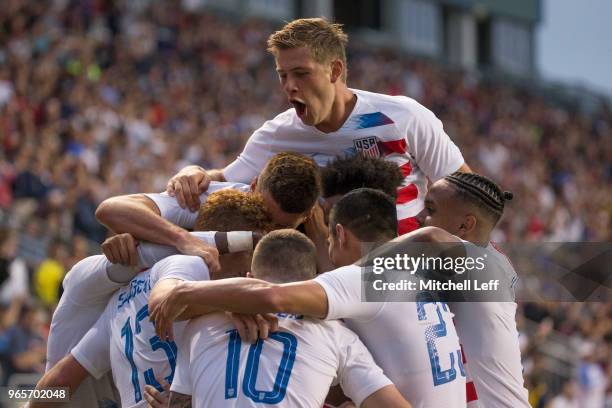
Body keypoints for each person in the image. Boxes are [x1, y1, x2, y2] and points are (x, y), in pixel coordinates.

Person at [150, 188, 467, 407]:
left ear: (340, 235)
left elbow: (272, 297)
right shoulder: (413, 284)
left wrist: (190, 293)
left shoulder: (199, 329)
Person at [166, 17, 470, 235]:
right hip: (328, 270)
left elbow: (466, 191)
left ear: (334, 70)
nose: (290, 86)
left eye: (301, 73)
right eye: (283, 75)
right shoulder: (278, 133)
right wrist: (193, 171)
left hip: (405, 267)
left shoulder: (403, 116)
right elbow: (224, 180)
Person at [35, 190, 274, 407]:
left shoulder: (118, 301)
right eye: (253, 252)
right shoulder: (187, 267)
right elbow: (168, 298)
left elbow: (60, 380)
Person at [166, 229, 411, 408]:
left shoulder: (200, 325)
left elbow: (179, 404)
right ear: (312, 281)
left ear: (249, 276)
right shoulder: (336, 335)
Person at [415, 172, 530, 407]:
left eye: (431, 209)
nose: (418, 216)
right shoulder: (469, 263)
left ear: (465, 225)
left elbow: (431, 236)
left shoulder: (484, 263)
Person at [96, 152, 321, 271]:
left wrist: (321, 239)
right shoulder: (215, 199)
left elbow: (355, 295)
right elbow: (111, 209)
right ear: (251, 187)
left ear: (308, 213)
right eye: (265, 213)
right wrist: (182, 239)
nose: (266, 230)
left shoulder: (324, 229)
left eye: (281, 227)